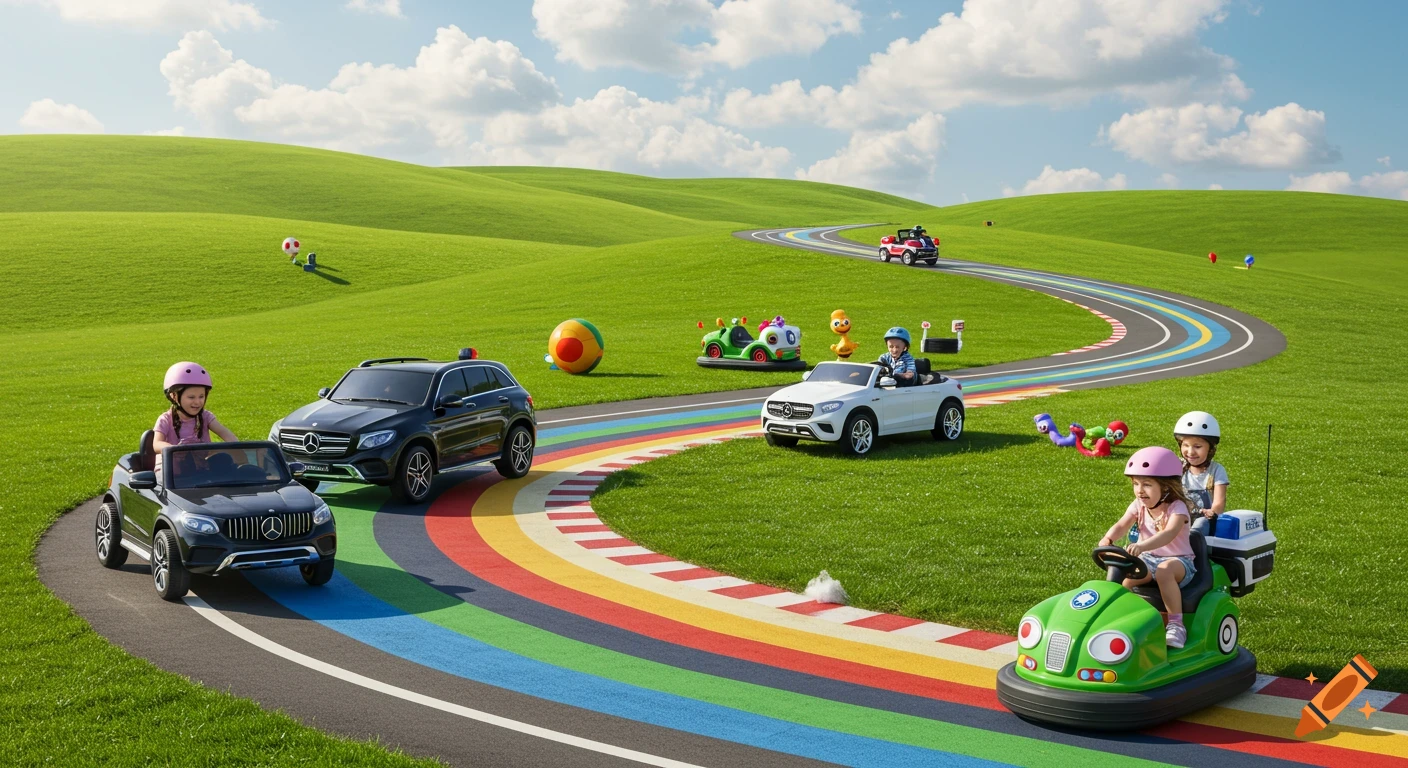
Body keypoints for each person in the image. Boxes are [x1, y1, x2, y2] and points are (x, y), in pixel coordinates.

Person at [1099, 446, 1196, 649]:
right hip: (1148, 558)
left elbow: (1168, 534)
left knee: (1163, 571)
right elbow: (1122, 524)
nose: (1139, 490)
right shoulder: (1138, 505)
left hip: (1179, 561)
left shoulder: (1177, 508)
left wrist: (1142, 546)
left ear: (1166, 487)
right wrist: (1108, 538)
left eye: (1147, 484)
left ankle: (1177, 625)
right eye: (1136, 484)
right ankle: (1126, 621)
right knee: (1125, 580)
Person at [153, 361, 237, 475]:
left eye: (201, 396)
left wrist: (238, 446)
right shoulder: (166, 419)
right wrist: (173, 449)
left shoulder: (205, 417)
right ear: (174, 396)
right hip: (171, 472)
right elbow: (156, 443)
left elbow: (225, 433)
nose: (197, 402)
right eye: (191, 397)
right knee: (169, 473)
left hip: (198, 469)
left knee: (224, 461)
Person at [1174, 411, 1229, 536]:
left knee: (1197, 529)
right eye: (1185, 445)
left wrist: (1212, 513)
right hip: (1179, 519)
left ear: (1211, 449)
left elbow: (1219, 502)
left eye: (1197, 446)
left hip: (1206, 523)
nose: (1190, 452)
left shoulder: (1216, 470)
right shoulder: (1178, 467)